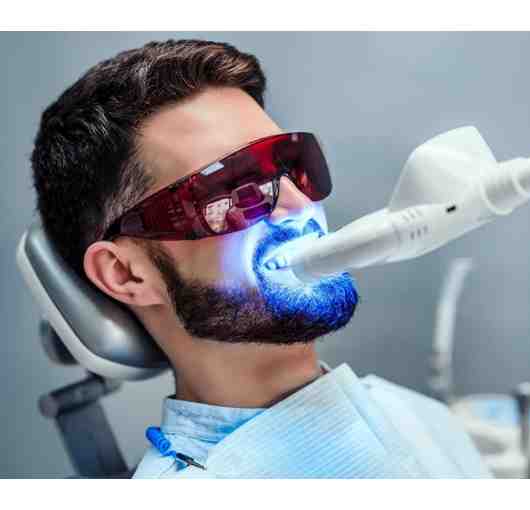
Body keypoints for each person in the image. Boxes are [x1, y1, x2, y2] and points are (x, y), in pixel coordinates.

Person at [31, 39, 490, 478]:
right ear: (126, 273)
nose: (297, 204)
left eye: (292, 165)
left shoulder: (419, 417)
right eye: (231, 189)